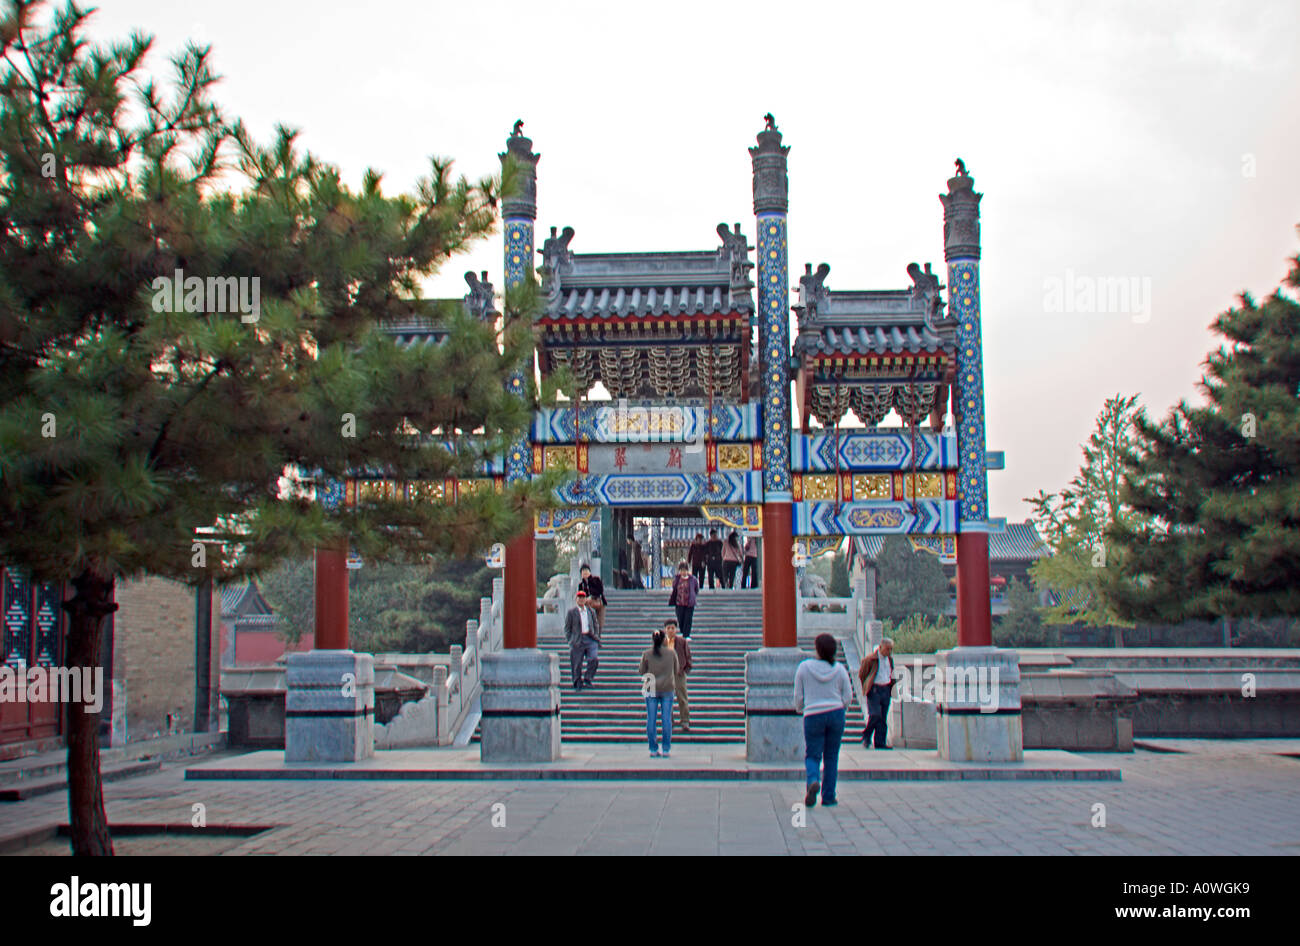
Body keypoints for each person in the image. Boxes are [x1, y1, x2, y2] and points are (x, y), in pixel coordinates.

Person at [794, 633, 854, 808]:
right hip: (836, 713)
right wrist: (841, 706)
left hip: (813, 714)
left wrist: (801, 708)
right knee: (831, 756)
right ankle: (828, 796)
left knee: (813, 754)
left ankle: (813, 780)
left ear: (817, 649)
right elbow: (848, 695)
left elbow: (798, 696)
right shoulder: (839, 669)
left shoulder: (804, 667)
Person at [638, 628, 679, 757]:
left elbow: (641, 671)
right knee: (666, 719)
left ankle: (653, 748)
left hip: (651, 688)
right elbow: (676, 669)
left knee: (651, 719)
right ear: (664, 639)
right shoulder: (671, 653)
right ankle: (666, 748)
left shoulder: (647, 653)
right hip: (667, 687)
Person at [858, 637, 896, 749]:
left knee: (882, 718)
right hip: (874, 689)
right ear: (880, 647)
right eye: (887, 649)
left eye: (891, 649)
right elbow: (862, 675)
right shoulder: (870, 659)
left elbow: (891, 673)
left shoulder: (889, 660)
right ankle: (866, 734)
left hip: (886, 689)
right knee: (875, 715)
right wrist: (867, 687)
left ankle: (880, 742)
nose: (889, 652)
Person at [563, 590, 601, 692]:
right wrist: (570, 640)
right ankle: (577, 681)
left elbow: (595, 624)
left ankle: (588, 678)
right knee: (577, 663)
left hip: (590, 638)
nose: (581, 600)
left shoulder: (590, 611)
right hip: (577, 639)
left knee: (594, 658)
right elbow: (567, 628)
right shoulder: (572, 612)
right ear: (576, 599)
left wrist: (596, 635)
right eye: (579, 598)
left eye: (583, 598)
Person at [664, 618, 692, 731]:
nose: (671, 630)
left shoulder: (682, 642)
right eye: (668, 628)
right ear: (665, 630)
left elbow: (688, 656)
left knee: (682, 697)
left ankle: (685, 721)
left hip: (678, 673)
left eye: (673, 628)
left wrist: (685, 669)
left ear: (676, 629)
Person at [668, 560, 699, 639]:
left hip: (689, 603)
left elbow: (696, 589)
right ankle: (683, 631)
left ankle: (686, 635)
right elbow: (674, 587)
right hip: (679, 602)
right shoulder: (677, 579)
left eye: (684, 570)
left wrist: (693, 596)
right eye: (681, 570)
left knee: (688, 619)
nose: (683, 572)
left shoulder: (693, 579)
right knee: (680, 618)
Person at [577, 562, 606, 629]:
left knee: (600, 623)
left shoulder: (596, 580)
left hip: (599, 602)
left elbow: (600, 590)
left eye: (586, 570)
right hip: (588, 604)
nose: (585, 573)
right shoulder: (581, 585)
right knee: (590, 622)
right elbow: (580, 595)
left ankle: (598, 636)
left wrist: (592, 596)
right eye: (583, 571)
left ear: (589, 572)